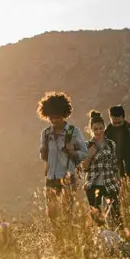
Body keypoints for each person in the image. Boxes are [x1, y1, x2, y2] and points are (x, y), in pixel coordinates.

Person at [37, 91, 88, 219]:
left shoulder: (73, 131)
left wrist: (72, 152)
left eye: (57, 117)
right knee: (52, 213)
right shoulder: (46, 133)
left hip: (68, 177)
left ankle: (68, 235)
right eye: (51, 117)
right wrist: (43, 152)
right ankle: (57, 236)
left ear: (64, 114)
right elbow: (44, 156)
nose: (54, 120)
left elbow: (84, 153)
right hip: (51, 177)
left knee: (67, 212)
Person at [79, 110, 120, 225]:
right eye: (95, 129)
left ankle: (118, 240)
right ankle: (101, 240)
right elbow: (83, 167)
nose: (98, 131)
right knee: (98, 219)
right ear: (91, 130)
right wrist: (89, 156)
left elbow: (114, 164)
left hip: (110, 183)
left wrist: (118, 181)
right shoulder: (87, 146)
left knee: (116, 216)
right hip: (93, 185)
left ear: (104, 127)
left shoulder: (111, 144)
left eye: (101, 128)